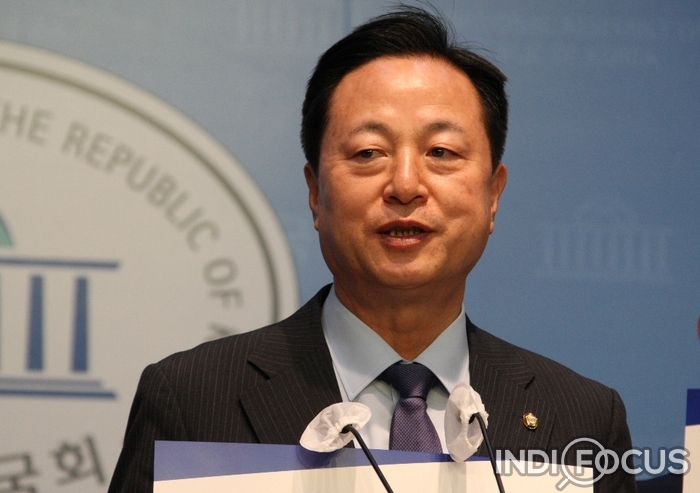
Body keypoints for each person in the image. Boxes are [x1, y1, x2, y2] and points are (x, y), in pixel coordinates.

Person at [108, 7, 637, 493]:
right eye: (368, 152)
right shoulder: (192, 399)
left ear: (493, 194)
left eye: (441, 151)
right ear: (315, 193)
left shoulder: (582, 419)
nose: (405, 184)